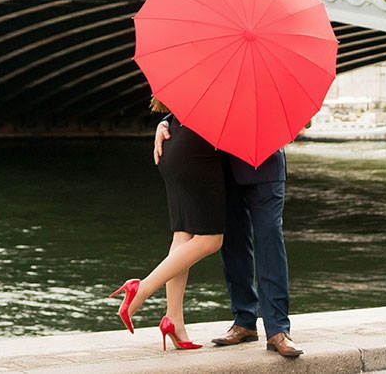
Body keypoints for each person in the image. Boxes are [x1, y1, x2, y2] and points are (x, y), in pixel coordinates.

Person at [155, 117, 303, 358]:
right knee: (233, 245)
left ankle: (277, 330)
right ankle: (244, 321)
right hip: (221, 168)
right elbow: (198, 98)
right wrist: (165, 122)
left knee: (269, 240)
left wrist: (294, 123)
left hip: (265, 166)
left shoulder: (271, 80)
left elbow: (298, 115)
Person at [109, 102, 225, 352]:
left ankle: (174, 320)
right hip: (198, 150)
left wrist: (165, 121)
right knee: (211, 239)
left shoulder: (201, 73)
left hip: (177, 143)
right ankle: (142, 288)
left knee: (183, 235)